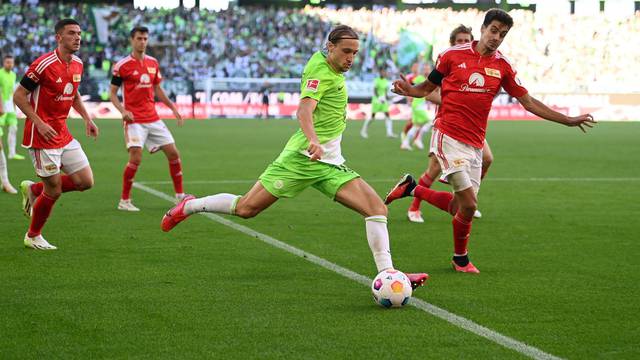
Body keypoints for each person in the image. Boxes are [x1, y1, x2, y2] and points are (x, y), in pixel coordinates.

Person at [161, 25, 428, 289]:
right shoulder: (321, 72)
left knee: (376, 209)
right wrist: (313, 140)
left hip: (330, 163)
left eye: (355, 53)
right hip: (301, 158)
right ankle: (190, 206)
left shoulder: (325, 61)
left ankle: (389, 274)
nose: (351, 58)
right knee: (246, 209)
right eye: (346, 51)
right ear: (330, 47)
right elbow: (303, 110)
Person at [385, 9, 595, 273]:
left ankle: (412, 189)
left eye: (503, 34)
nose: (497, 37)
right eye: (494, 30)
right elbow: (427, 88)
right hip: (447, 135)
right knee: (470, 205)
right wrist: (409, 90)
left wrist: (567, 120)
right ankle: (460, 259)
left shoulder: (503, 66)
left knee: (458, 207)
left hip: (475, 142)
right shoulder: (451, 56)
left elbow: (528, 102)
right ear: (483, 28)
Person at [14, 19, 99, 250]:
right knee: (55, 190)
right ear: (58, 37)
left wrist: (87, 118)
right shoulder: (43, 65)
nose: (77, 37)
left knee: (85, 181)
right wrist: (39, 123)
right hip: (42, 136)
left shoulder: (78, 64)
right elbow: (19, 96)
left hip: (63, 133)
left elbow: (74, 94)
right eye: (72, 33)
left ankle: (34, 189)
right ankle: (33, 235)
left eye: (79, 33)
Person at [408, 25, 488, 223]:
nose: (463, 43)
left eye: (466, 40)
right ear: (452, 43)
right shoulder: (448, 60)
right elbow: (430, 93)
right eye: (459, 40)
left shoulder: (477, 63)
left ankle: (466, 202)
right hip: (448, 125)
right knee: (433, 170)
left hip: (471, 127)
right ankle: (414, 207)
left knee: (487, 158)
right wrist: (457, 100)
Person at [110, 26, 185, 212]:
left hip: (153, 118)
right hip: (134, 120)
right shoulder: (122, 66)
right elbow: (112, 93)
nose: (142, 42)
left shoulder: (153, 63)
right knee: (136, 157)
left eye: (145, 38)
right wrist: (122, 110)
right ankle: (124, 200)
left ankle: (180, 196)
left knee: (174, 153)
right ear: (132, 40)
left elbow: (158, 89)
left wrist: (173, 108)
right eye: (139, 38)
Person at [400, 64, 435, 151]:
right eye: (425, 69)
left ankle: (405, 143)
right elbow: (411, 89)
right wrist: (409, 99)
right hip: (417, 105)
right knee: (430, 121)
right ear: (422, 70)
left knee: (416, 126)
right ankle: (418, 139)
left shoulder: (428, 80)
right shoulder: (419, 78)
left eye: (428, 69)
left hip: (421, 105)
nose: (426, 71)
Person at [0, 55, 25, 161]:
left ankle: (12, 153)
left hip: (10, 106)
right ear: (3, 63)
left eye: (11, 62)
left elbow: (13, 92)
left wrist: (14, 106)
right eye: (7, 62)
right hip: (1, 106)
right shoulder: (0, 74)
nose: (9, 64)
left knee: (13, 128)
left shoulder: (13, 75)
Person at [360, 68, 396, 138]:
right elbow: (375, 90)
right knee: (373, 117)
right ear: (380, 72)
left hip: (383, 101)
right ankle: (363, 131)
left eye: (385, 72)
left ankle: (389, 133)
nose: (385, 73)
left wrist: (388, 99)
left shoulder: (386, 81)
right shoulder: (377, 80)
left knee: (388, 116)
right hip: (376, 101)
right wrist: (379, 97)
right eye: (383, 72)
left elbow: (385, 92)